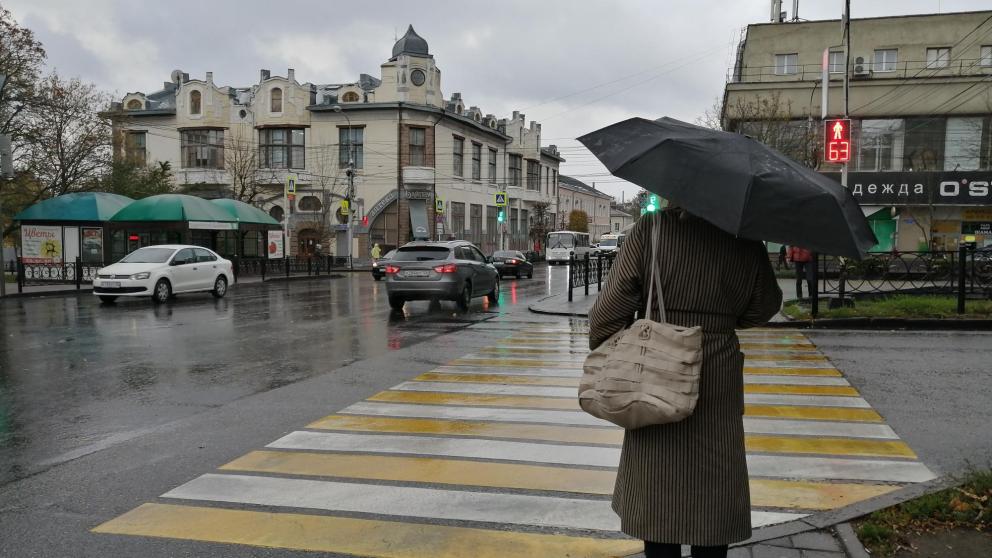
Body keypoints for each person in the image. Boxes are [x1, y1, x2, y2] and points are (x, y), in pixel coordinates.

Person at [589, 209, 782, 558]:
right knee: (714, 486)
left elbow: (608, 310)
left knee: (658, 488)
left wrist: (613, 345)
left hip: (657, 363)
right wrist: (720, 321)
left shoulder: (654, 228)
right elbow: (765, 305)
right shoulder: (745, 236)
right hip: (718, 370)